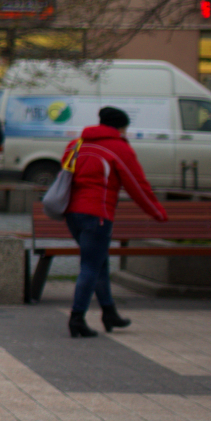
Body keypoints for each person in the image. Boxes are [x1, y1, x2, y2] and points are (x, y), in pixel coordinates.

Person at [60, 106, 168, 339]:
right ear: (119, 127)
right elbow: (137, 185)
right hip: (97, 214)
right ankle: (77, 318)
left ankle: (109, 313)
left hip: (72, 214)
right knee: (90, 265)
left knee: (98, 262)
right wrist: (157, 213)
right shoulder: (118, 148)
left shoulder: (76, 145)